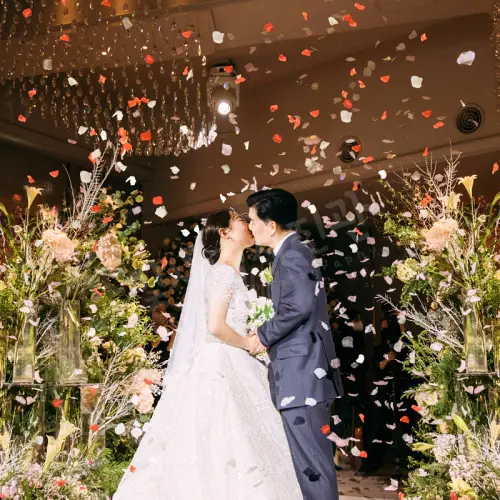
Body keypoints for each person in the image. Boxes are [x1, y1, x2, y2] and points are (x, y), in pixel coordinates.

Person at [113, 209, 301, 500]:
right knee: (227, 437)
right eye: (240, 220)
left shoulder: (229, 273)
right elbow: (215, 326)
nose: (248, 224)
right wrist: (248, 342)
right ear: (225, 233)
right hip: (223, 364)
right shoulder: (223, 273)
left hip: (230, 360)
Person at [246, 188, 344, 500]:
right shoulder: (292, 252)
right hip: (303, 373)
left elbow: (298, 307)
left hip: (302, 374)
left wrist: (262, 335)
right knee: (309, 462)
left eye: (252, 220)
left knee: (312, 463)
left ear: (271, 225)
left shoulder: (291, 254)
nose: (250, 226)